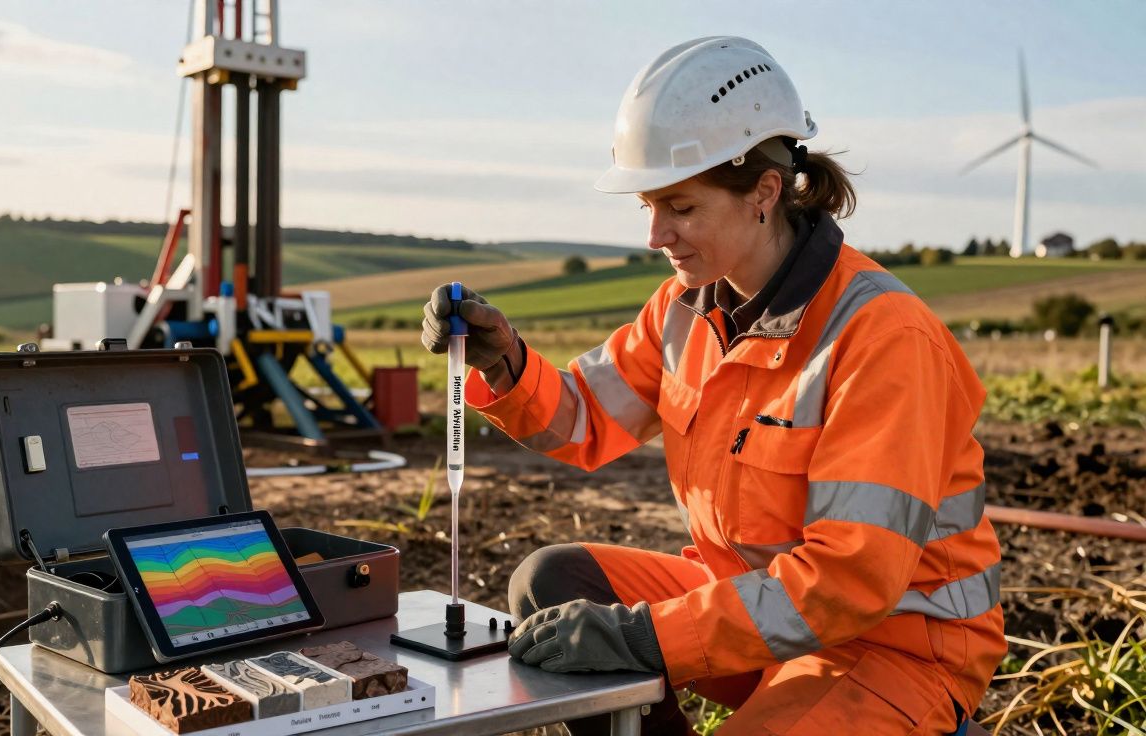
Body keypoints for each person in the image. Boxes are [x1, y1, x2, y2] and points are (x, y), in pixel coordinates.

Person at [420, 37, 1004, 734]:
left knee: (620, 634)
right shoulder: (685, 307)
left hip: (889, 645)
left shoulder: (883, 337)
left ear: (762, 192)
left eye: (681, 207)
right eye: (647, 206)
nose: (655, 234)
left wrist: (645, 639)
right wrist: (502, 360)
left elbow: (851, 582)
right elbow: (578, 420)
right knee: (551, 583)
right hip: (754, 609)